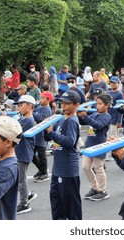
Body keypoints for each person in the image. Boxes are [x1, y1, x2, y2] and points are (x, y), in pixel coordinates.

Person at [45, 90, 82, 220]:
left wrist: (52, 133)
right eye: (62, 103)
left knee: (71, 209)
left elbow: (69, 141)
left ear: (76, 105)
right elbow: (51, 136)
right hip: (58, 169)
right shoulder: (61, 119)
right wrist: (47, 129)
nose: (63, 106)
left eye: (67, 103)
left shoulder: (72, 121)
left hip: (68, 171)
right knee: (57, 206)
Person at [79, 94, 112, 201]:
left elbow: (98, 125)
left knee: (99, 168)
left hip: (99, 145)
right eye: (97, 104)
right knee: (85, 167)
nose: (98, 106)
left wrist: (85, 116)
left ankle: (103, 191)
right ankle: (94, 187)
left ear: (107, 105)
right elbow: (84, 122)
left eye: (100, 104)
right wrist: (79, 115)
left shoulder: (106, 116)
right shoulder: (95, 114)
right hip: (89, 145)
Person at [14, 95, 37, 214]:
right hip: (19, 152)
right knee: (18, 178)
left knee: (21, 179)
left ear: (30, 106)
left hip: (24, 152)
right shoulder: (22, 119)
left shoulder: (28, 121)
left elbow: (15, 132)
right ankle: (28, 194)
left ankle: (24, 203)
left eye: (21, 104)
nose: (19, 107)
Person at [32, 91, 53, 183]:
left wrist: (31, 112)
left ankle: (44, 173)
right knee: (31, 155)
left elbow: (40, 119)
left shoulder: (47, 109)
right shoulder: (39, 107)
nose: (40, 100)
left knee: (42, 155)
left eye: (42, 98)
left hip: (41, 135)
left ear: (48, 100)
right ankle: (41, 169)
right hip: (35, 135)